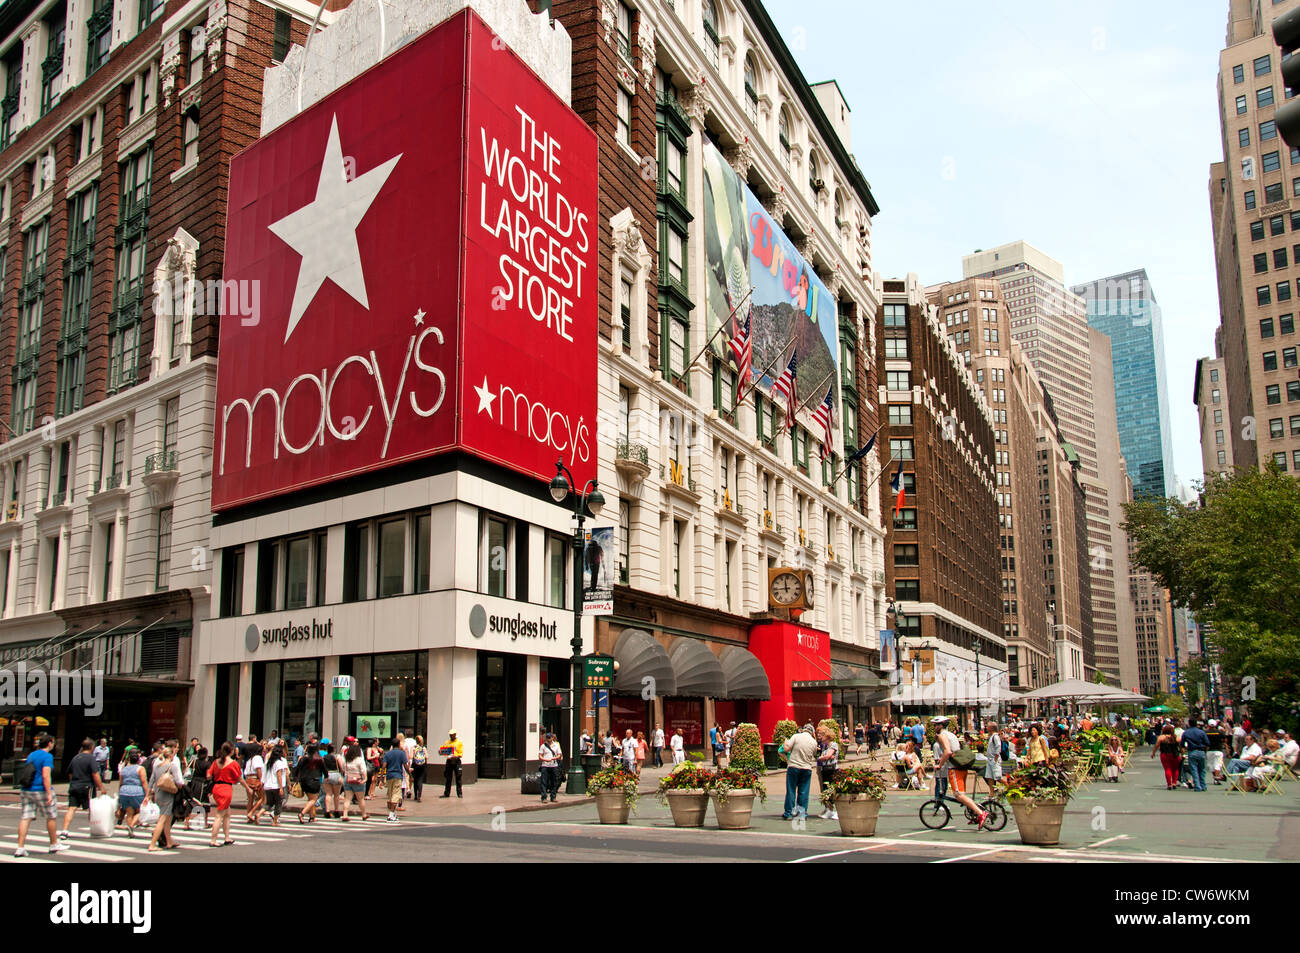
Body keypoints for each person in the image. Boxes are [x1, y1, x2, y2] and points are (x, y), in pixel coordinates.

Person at [13, 734, 65, 857]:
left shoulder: (32, 754)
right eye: (53, 742)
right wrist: (49, 793)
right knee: (51, 816)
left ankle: (20, 847)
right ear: (50, 743)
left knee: (25, 817)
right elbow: (46, 775)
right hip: (40, 789)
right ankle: (53, 844)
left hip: (26, 789)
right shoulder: (47, 756)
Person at [934, 717, 989, 828]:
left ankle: (980, 813)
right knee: (962, 793)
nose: (934, 727)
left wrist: (940, 765)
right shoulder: (952, 735)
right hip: (962, 766)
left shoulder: (942, 736)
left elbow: (948, 751)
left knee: (959, 795)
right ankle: (974, 813)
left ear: (941, 726)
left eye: (935, 725)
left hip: (954, 768)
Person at [59, 738, 107, 840]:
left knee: (71, 808)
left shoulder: (75, 758)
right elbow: (95, 774)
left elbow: (70, 773)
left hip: (74, 786)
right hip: (87, 786)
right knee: (91, 809)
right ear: (91, 747)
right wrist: (101, 787)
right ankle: (94, 829)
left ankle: (64, 830)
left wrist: (73, 782)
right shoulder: (91, 758)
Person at [147, 744, 184, 852]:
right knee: (162, 819)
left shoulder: (157, 766)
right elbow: (179, 782)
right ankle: (153, 844)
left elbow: (151, 781)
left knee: (167, 818)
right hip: (168, 794)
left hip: (158, 794)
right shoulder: (172, 766)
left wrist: (148, 795)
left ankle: (168, 841)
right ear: (171, 755)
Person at [781, 723, 818, 820]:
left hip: (794, 766)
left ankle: (788, 813)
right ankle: (802, 813)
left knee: (791, 790)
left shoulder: (796, 736)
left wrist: (785, 741)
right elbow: (813, 754)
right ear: (812, 732)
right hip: (806, 768)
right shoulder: (814, 742)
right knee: (803, 792)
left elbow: (786, 749)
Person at [382, 738, 408, 823]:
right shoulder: (401, 753)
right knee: (396, 795)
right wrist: (410, 775)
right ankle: (391, 814)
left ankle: (392, 814)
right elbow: (405, 765)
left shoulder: (387, 754)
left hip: (389, 776)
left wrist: (382, 777)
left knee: (390, 795)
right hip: (397, 776)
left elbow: (384, 766)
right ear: (399, 744)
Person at [296, 743, 325, 822]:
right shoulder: (319, 759)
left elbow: (297, 769)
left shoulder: (303, 759)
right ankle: (302, 814)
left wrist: (297, 779)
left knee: (310, 799)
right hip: (314, 781)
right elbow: (324, 770)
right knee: (313, 800)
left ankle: (312, 817)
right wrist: (326, 776)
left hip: (303, 781)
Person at [816, 726, 840, 820]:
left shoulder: (833, 745)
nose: (819, 736)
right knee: (826, 790)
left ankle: (837, 811)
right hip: (825, 769)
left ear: (827, 735)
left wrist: (821, 758)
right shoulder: (825, 746)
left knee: (832, 790)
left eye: (821, 734)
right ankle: (828, 809)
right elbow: (827, 756)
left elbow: (827, 756)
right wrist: (824, 757)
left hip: (832, 770)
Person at [342, 744, 370, 821]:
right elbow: (363, 770)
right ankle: (363, 814)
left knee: (347, 798)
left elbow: (343, 768)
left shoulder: (347, 759)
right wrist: (365, 778)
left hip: (348, 779)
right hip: (358, 779)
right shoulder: (359, 759)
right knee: (360, 799)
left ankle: (345, 814)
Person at [1151, 724, 1183, 790]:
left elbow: (1156, 745)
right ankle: (1174, 783)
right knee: (1175, 769)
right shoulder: (1176, 737)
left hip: (1165, 754)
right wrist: (1182, 753)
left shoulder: (1161, 737)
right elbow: (1181, 747)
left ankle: (1169, 784)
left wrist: (1153, 753)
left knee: (1167, 769)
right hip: (1175, 755)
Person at [1182, 719, 1210, 792]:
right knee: (1202, 769)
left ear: (1189, 724)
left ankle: (1197, 786)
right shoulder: (1201, 732)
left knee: (1193, 769)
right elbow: (1207, 743)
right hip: (1201, 751)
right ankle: (1203, 785)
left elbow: (1182, 744)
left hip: (1192, 751)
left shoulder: (1186, 732)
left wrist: (1185, 749)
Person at [263, 744, 288, 825]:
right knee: (278, 803)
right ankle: (275, 821)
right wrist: (281, 787)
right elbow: (279, 775)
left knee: (269, 804)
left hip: (268, 785)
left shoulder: (270, 762)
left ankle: (259, 814)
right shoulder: (279, 762)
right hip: (276, 785)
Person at [242, 742, 266, 824]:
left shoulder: (250, 759)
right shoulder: (258, 758)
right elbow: (258, 769)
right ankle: (251, 813)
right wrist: (261, 780)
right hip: (255, 779)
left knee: (250, 799)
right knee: (262, 798)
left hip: (248, 779)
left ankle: (249, 817)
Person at [321, 743, 345, 818]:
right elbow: (341, 767)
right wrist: (342, 773)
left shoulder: (324, 757)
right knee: (336, 795)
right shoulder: (337, 757)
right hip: (335, 774)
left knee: (328, 794)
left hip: (327, 775)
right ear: (334, 750)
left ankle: (327, 811)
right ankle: (336, 811)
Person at [539, 732, 563, 802]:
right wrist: (545, 759)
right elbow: (540, 755)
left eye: (550, 738)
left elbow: (559, 754)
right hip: (545, 766)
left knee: (554, 781)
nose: (548, 739)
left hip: (554, 765)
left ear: (552, 738)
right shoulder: (543, 746)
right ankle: (544, 797)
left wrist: (554, 758)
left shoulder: (556, 745)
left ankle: (553, 796)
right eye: (547, 738)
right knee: (544, 782)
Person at [440, 730, 464, 798]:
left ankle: (459, 793)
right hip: (449, 761)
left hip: (456, 761)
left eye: (452, 734)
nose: (451, 736)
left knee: (458, 777)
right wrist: (442, 752)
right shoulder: (447, 742)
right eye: (450, 735)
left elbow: (461, 753)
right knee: (448, 777)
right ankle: (446, 793)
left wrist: (455, 756)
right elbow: (444, 751)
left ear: (455, 734)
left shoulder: (459, 743)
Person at [983, 722, 1003, 797]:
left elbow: (998, 746)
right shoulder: (991, 736)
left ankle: (1009, 786)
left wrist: (996, 758)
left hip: (994, 759)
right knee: (989, 777)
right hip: (990, 759)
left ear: (991, 728)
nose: (986, 728)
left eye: (987, 726)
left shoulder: (995, 736)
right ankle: (991, 793)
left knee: (997, 777)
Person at [410, 736, 428, 802]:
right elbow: (427, 756)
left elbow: (411, 756)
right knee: (420, 780)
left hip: (415, 765)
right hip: (422, 765)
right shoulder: (423, 748)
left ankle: (415, 796)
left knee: (415, 780)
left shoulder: (413, 748)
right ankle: (419, 796)